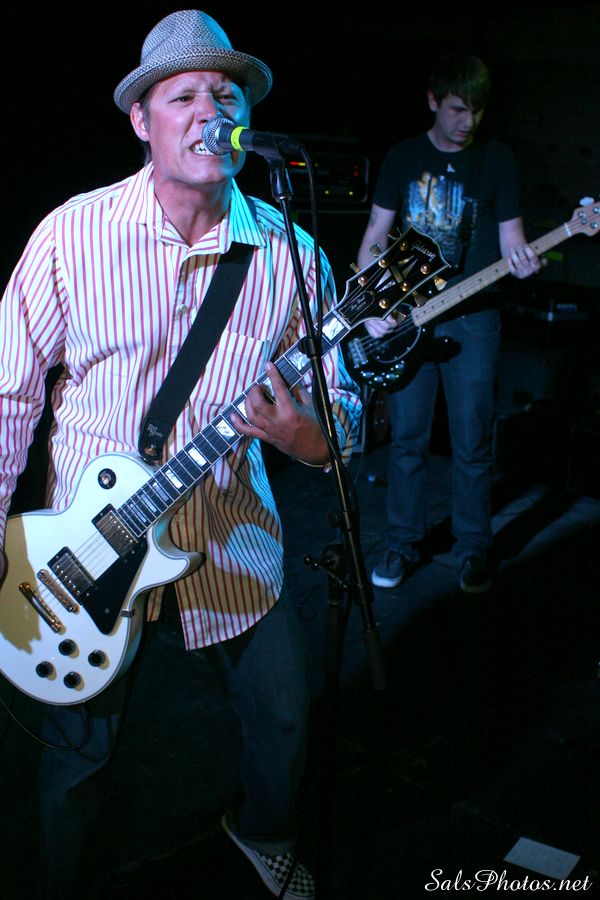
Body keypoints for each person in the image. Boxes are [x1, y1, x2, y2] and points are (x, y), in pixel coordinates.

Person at [0, 10, 360, 899]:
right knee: (77, 756)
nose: (210, 112)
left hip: (232, 538)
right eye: (185, 95)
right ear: (142, 119)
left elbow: (340, 404)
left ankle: (266, 834)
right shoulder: (71, 235)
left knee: (283, 717)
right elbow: (9, 396)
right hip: (88, 547)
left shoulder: (290, 254)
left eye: (227, 96)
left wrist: (312, 441)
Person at [357, 52, 540, 594]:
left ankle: (473, 549)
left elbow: (512, 242)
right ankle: (401, 543)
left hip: (475, 319)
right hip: (410, 317)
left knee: (472, 440)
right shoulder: (403, 157)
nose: (468, 121)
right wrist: (374, 305)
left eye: (477, 111)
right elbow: (374, 237)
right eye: (458, 109)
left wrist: (524, 261)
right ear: (434, 101)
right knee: (408, 438)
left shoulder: (497, 160)